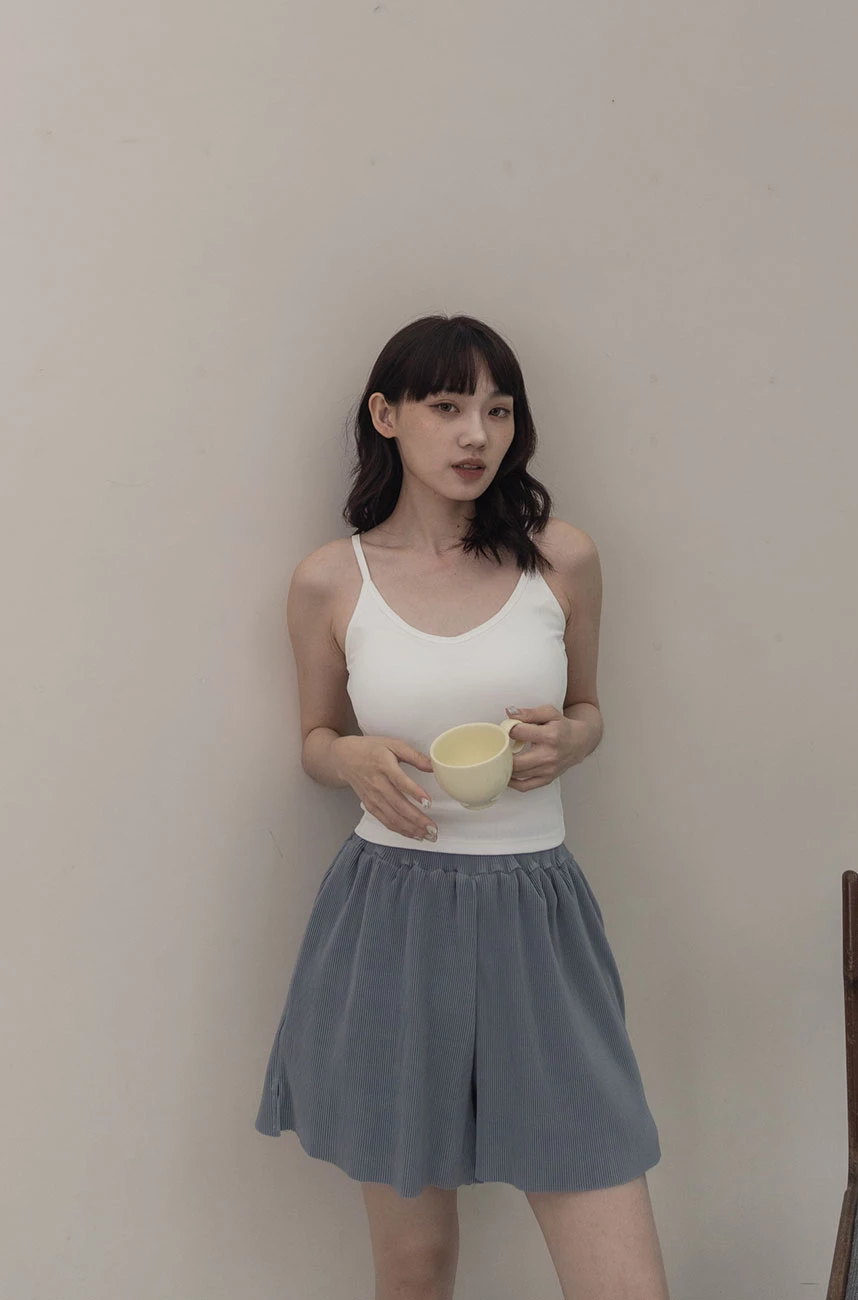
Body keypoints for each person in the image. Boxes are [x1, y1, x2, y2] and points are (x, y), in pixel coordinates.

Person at [254, 313, 671, 1299]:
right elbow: (314, 739)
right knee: (415, 1266)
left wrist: (574, 740)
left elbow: (589, 710)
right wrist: (348, 757)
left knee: (621, 1273)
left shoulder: (561, 559)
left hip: (537, 914)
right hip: (388, 917)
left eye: (498, 408)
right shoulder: (330, 580)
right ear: (385, 416)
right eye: (446, 407)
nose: (477, 434)